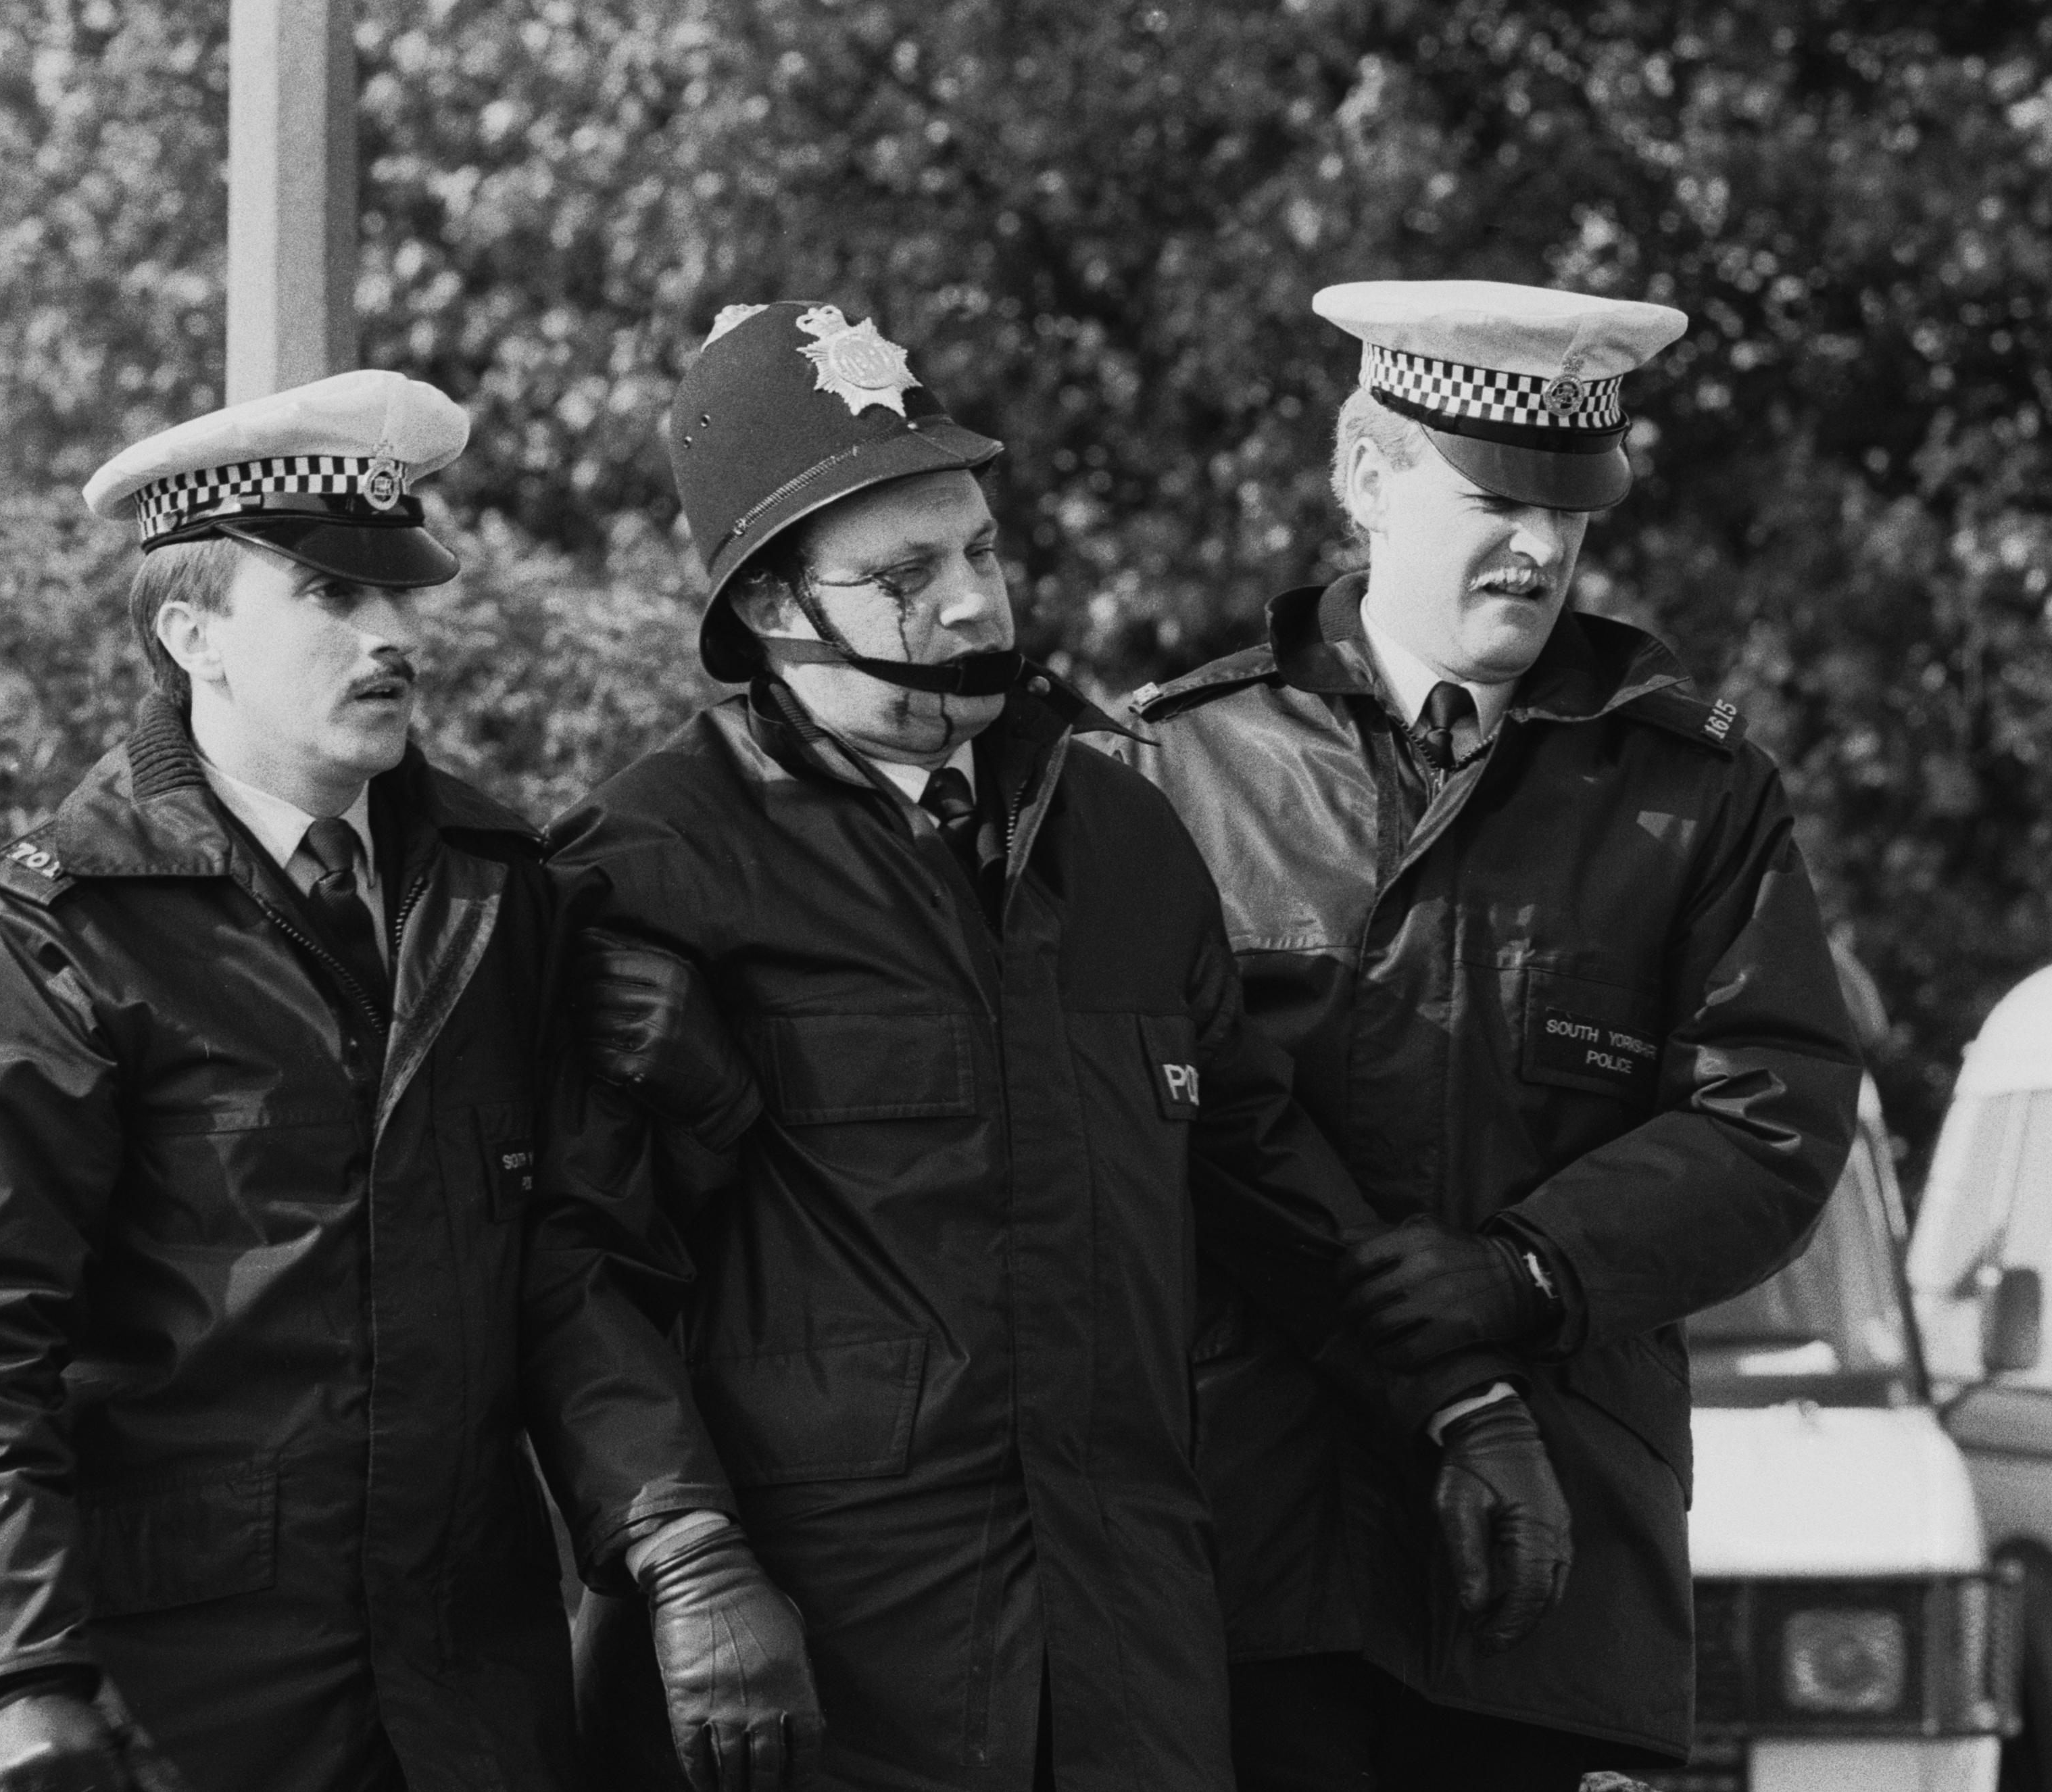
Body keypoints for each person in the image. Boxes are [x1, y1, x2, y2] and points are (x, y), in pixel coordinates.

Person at [528, 301, 1521, 1792]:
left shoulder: (1117, 837)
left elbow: (1260, 1175)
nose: (978, 609)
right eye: (906, 576)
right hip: (831, 1682)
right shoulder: (656, 861)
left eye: (983, 551)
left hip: (1126, 1669)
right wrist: (684, 1555)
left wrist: (1462, 1396)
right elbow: (571, 1266)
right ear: (770, 611)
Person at [1117, 281, 1865, 1790]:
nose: (1542, 550)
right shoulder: (1171, 771)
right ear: (1366, 474)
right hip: (1250, 1540)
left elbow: (1772, 1115)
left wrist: (1531, 1269)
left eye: (1573, 512)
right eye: (1495, 501)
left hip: (1548, 1564)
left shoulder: (1693, 792)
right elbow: (1144, 1129)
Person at [0, 372, 572, 1792]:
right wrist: (12, 1683)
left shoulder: (503, 896)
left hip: (470, 1690)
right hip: (184, 1702)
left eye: (400, 596)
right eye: (329, 597)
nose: (389, 635)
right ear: (194, 635)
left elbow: (570, 1270)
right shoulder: (51, 935)